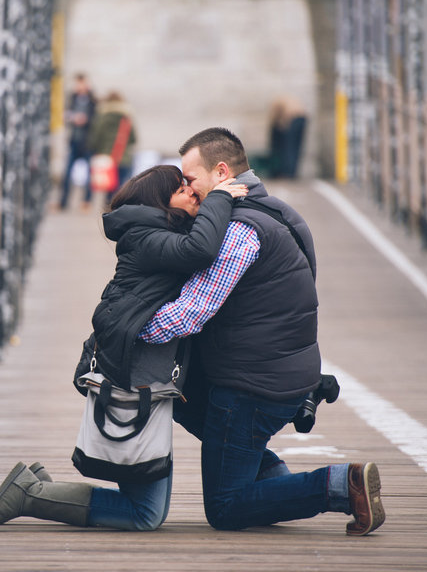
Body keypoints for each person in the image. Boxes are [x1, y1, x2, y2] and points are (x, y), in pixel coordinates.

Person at [138, 127, 386, 536]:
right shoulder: (280, 213)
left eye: (191, 180)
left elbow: (190, 315)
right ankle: (274, 481)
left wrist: (126, 332)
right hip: (285, 373)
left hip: (251, 388)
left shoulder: (238, 229)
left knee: (225, 507)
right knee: (183, 401)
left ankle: (340, 485)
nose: (187, 189)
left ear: (221, 173)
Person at [0, 165, 248, 532]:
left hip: (145, 371)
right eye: (180, 187)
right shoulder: (146, 236)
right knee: (145, 514)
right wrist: (217, 198)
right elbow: (199, 250)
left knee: (149, 510)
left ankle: (40, 485)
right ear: (159, 198)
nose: (190, 191)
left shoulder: (156, 230)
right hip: (133, 374)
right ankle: (30, 494)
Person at [87, 91, 137, 201]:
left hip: (106, 157)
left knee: (110, 186)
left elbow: (96, 136)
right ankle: (118, 207)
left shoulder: (102, 116)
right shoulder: (126, 117)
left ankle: (108, 207)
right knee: (122, 186)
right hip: (124, 157)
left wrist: (96, 149)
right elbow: (133, 139)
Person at [58, 73, 96, 210]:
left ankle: (86, 201)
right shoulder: (72, 98)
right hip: (74, 140)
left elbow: (95, 119)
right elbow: (66, 114)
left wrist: (86, 120)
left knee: (89, 175)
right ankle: (63, 202)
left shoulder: (93, 100)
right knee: (67, 173)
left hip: (87, 142)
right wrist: (71, 117)